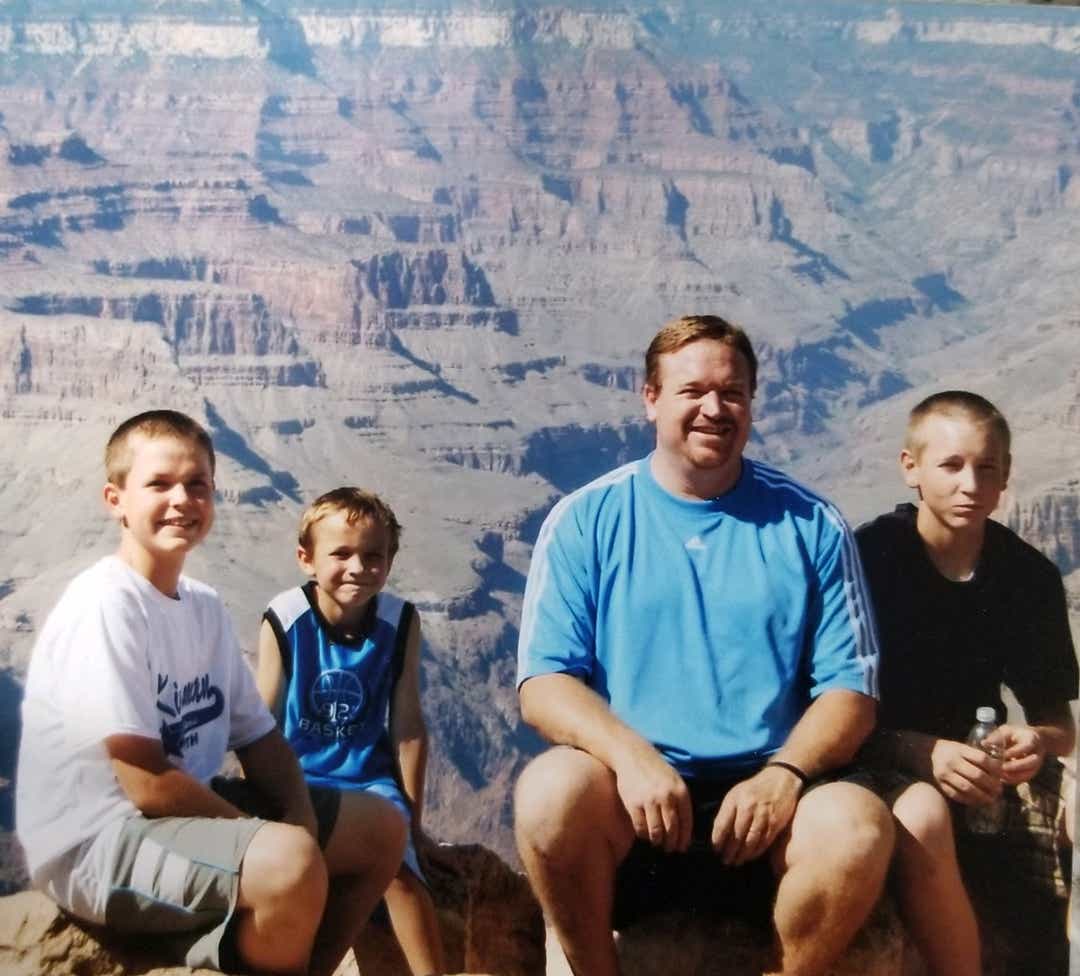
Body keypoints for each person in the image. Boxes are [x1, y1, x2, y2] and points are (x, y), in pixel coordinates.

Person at [514, 315, 894, 976]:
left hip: (769, 807)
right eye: (692, 391)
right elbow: (544, 684)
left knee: (856, 827)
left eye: (732, 393)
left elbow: (852, 693)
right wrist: (631, 757)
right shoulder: (586, 519)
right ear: (651, 397)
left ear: (752, 402)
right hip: (637, 804)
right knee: (549, 794)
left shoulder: (812, 524)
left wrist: (785, 775)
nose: (714, 409)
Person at [15, 410, 405, 976]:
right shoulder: (106, 605)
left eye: (197, 484)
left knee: (381, 830)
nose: (182, 499)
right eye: (159, 484)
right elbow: (145, 781)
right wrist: (265, 838)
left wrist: (299, 815)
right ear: (115, 499)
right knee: (290, 864)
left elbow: (260, 739)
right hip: (97, 844)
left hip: (177, 821)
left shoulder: (202, 605)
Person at [856, 390, 1078, 976]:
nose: (970, 485)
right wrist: (916, 750)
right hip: (874, 757)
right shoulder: (869, 560)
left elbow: (1060, 724)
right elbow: (819, 708)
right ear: (911, 468)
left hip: (982, 772)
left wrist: (1034, 740)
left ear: (1006, 477)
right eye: (951, 466)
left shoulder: (1027, 577)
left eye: (986, 468)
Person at [256, 487, 445, 976]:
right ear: (306, 558)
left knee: (402, 873)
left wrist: (413, 823)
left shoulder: (399, 621)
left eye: (373, 555)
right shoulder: (286, 619)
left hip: (370, 781)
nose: (358, 568)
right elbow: (263, 719)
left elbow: (407, 723)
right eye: (340, 554)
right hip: (300, 779)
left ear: (390, 560)